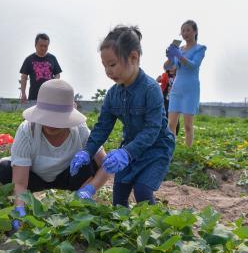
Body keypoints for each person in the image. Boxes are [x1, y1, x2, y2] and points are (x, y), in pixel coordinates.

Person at [70, 25, 175, 207]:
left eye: (112, 64)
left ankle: (153, 228)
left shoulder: (151, 90)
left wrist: (126, 153)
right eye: (104, 66)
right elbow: (103, 127)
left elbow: (152, 129)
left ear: (134, 57)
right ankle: (124, 228)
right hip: (129, 148)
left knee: (142, 190)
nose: (108, 71)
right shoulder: (112, 94)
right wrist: (87, 151)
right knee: (119, 193)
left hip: (156, 148)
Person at [0, 79, 110, 229]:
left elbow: (104, 164)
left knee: (92, 161)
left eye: (58, 119)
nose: (52, 124)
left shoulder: (80, 129)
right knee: (4, 168)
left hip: (67, 177)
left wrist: (90, 189)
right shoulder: (27, 131)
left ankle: (81, 204)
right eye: (48, 117)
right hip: (34, 177)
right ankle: (16, 206)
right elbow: (20, 182)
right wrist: (19, 209)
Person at [164, 20, 207, 147]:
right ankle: (170, 150)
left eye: (188, 30)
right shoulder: (180, 49)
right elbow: (167, 67)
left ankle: (188, 150)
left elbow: (194, 65)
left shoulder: (200, 49)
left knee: (188, 125)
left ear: (195, 31)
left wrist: (179, 56)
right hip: (177, 89)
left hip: (190, 90)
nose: (185, 33)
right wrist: (170, 57)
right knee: (171, 124)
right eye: (183, 30)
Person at [19, 33, 62, 103]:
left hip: (50, 97)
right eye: (41, 46)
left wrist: (54, 83)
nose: (43, 48)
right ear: (35, 45)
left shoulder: (52, 58)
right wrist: (23, 93)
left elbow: (57, 74)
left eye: (46, 46)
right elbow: (24, 77)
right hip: (34, 97)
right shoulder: (29, 59)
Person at [157, 67, 179, 134]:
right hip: (165, 99)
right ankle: (163, 132)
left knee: (175, 118)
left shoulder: (179, 76)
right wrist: (157, 80)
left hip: (175, 100)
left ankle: (174, 133)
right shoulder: (165, 75)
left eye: (173, 67)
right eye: (170, 67)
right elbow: (158, 82)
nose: (171, 69)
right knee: (165, 114)